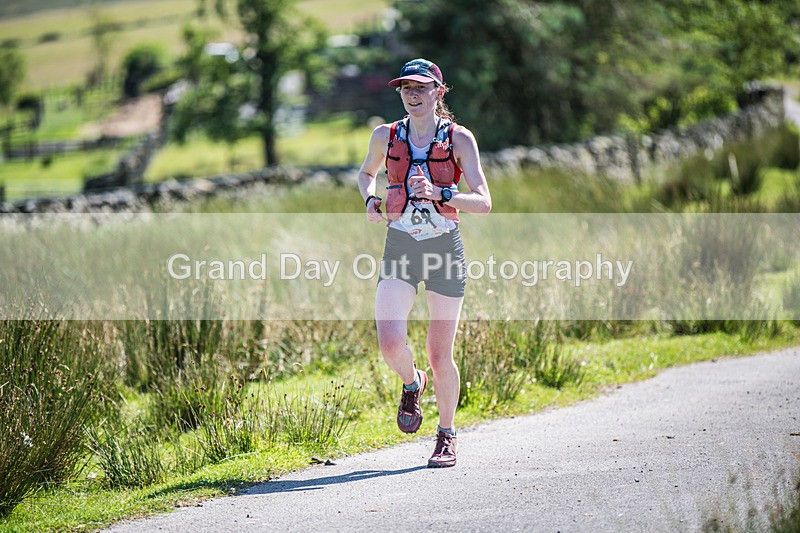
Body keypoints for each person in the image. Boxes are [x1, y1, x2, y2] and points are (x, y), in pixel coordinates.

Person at [357, 58, 492, 468]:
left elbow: (484, 203)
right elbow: (366, 175)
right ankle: (411, 383)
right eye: (405, 88)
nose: (412, 95)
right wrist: (371, 201)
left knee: (439, 353)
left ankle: (447, 435)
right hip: (400, 247)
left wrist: (440, 192)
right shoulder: (386, 135)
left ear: (439, 91)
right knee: (390, 341)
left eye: (420, 88)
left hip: (443, 250)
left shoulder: (459, 138)